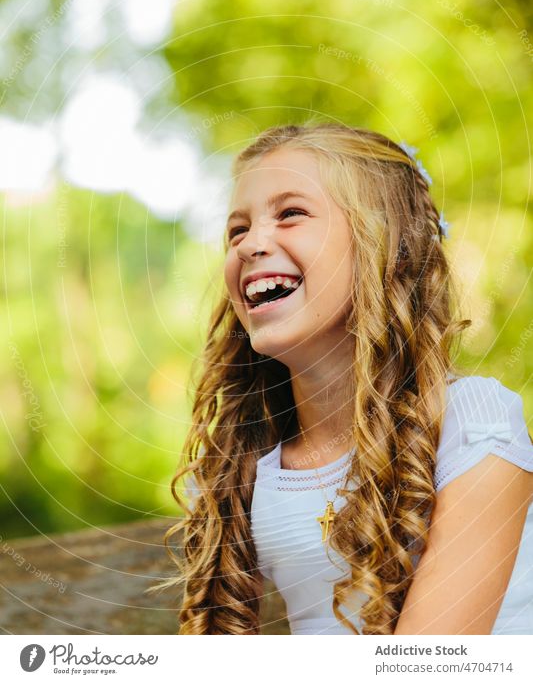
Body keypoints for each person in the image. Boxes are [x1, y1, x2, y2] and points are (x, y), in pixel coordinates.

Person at [156, 120, 533, 635]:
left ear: (388, 246)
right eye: (237, 230)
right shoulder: (243, 468)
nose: (249, 245)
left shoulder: (474, 424)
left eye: (291, 214)